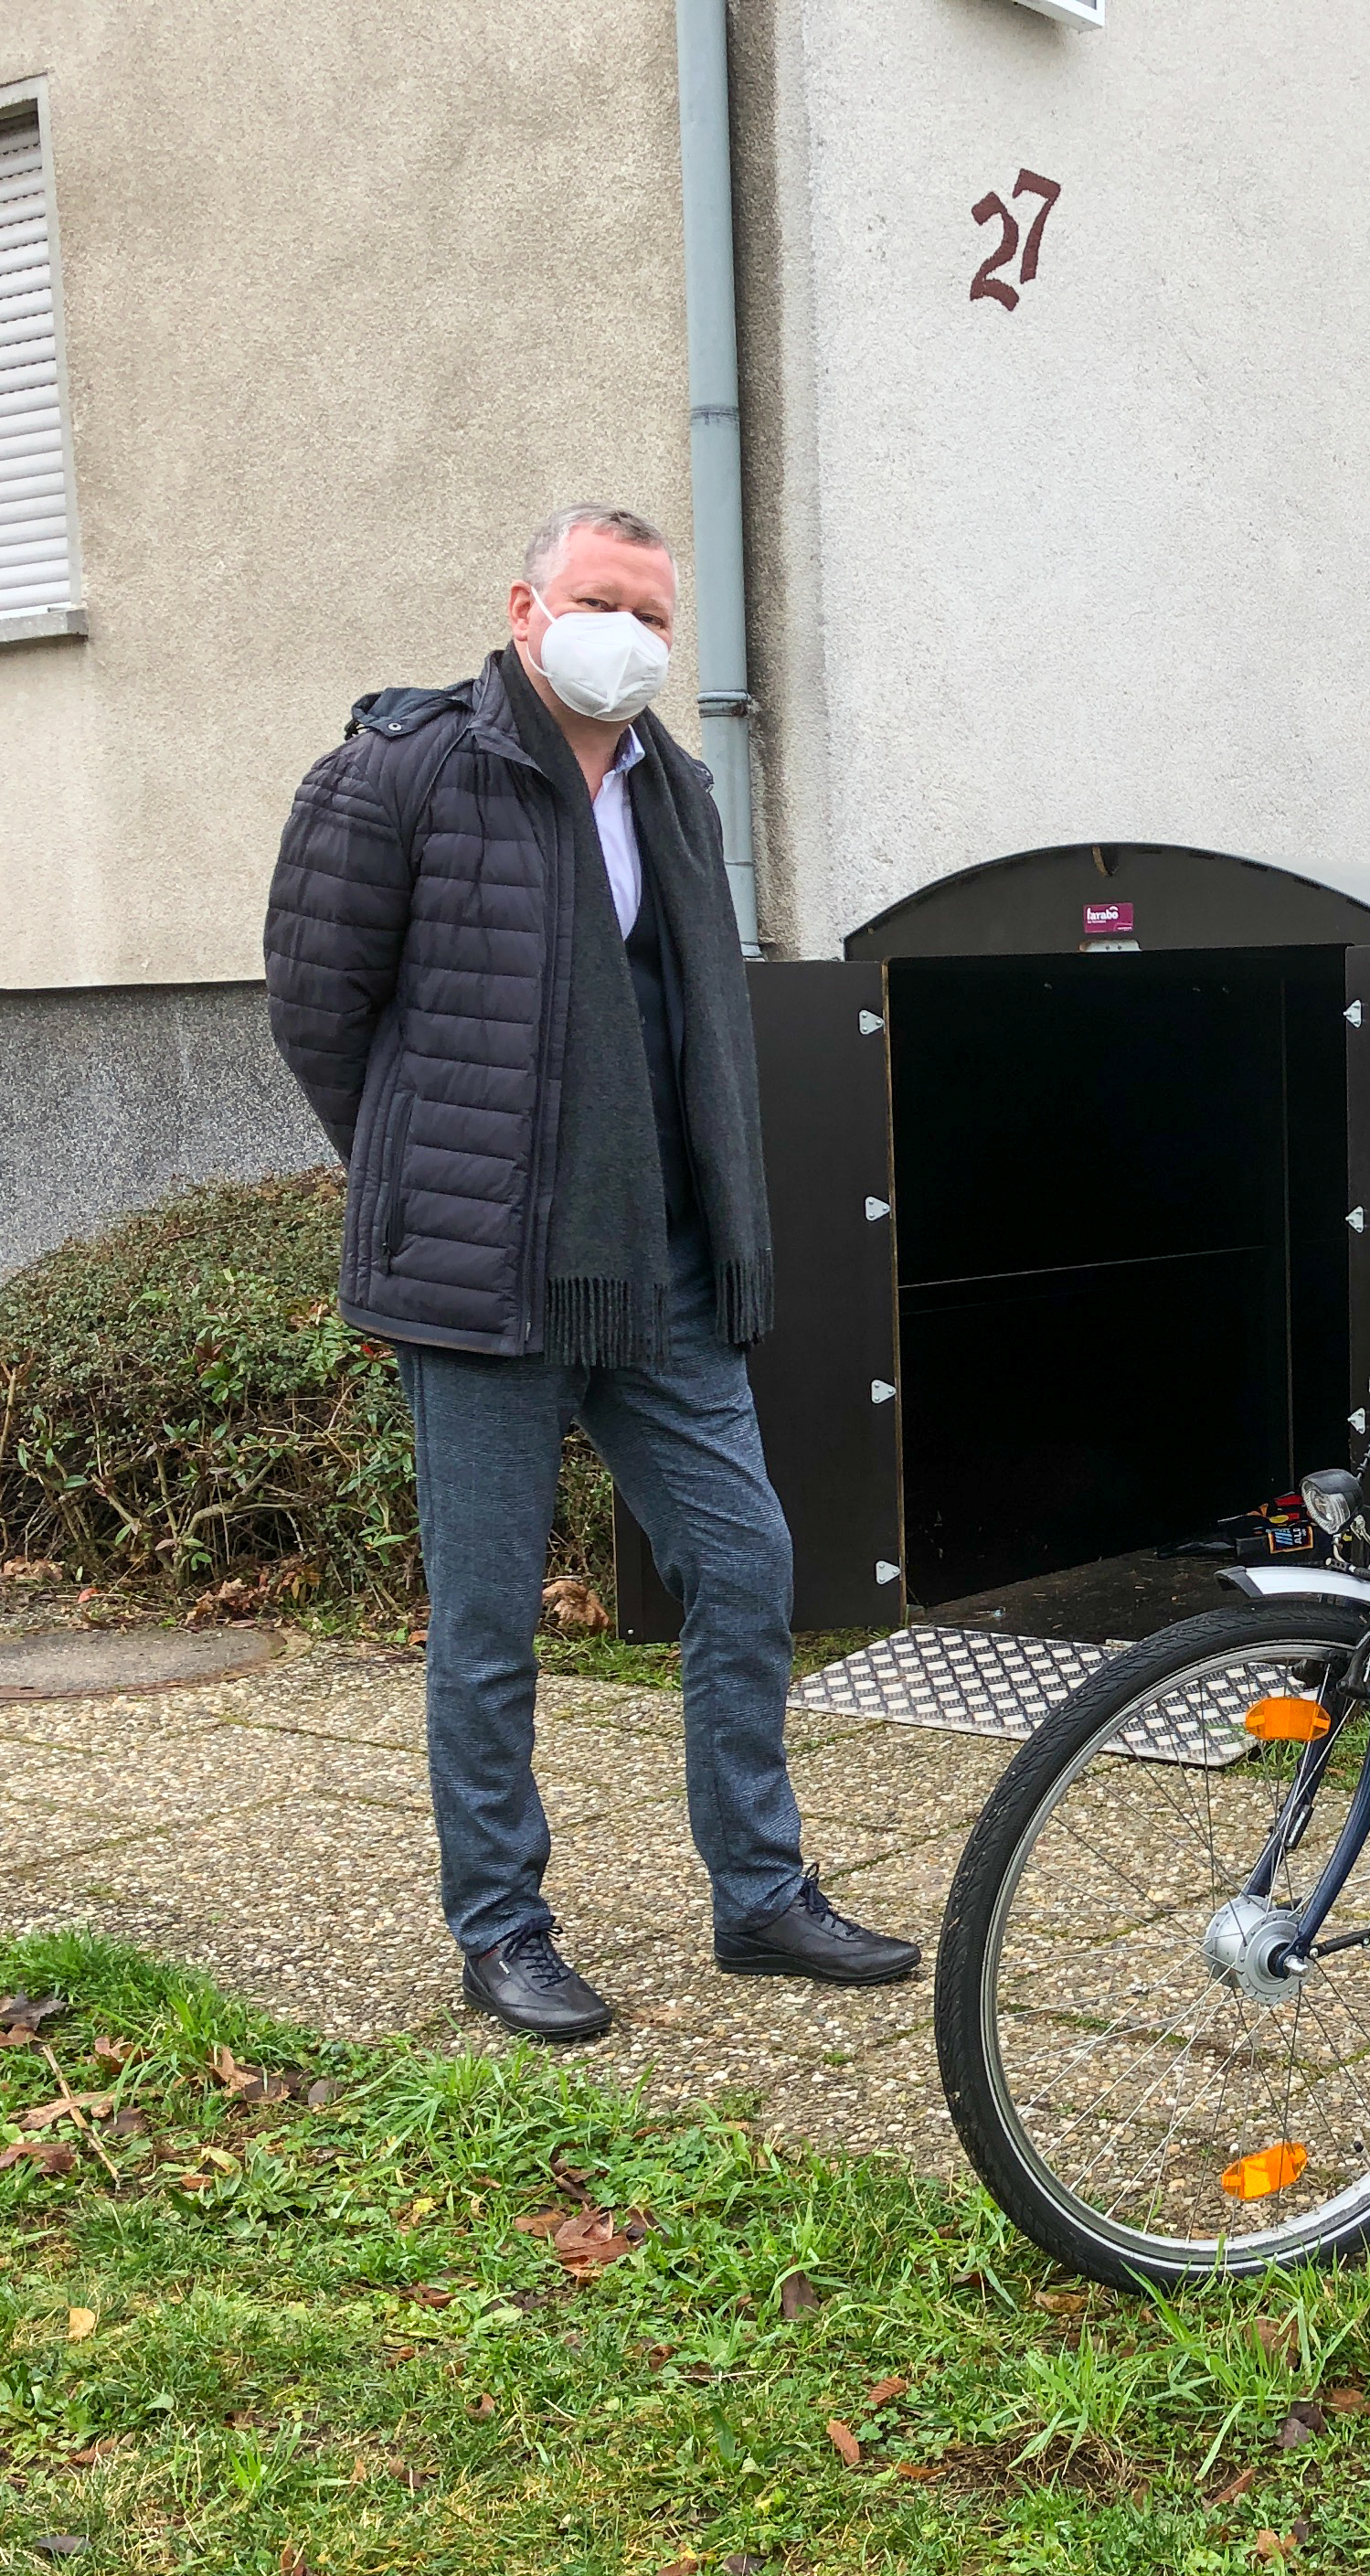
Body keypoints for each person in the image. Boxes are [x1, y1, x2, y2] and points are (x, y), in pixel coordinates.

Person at [264, 503, 916, 2040]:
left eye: (653, 614)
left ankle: (759, 1895)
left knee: (746, 1565)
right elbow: (317, 1005)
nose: (628, 634)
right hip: (489, 1278)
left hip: (664, 1268)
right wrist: (434, 1169)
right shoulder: (406, 770)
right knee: (487, 1624)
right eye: (600, 600)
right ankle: (500, 1928)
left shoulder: (676, 789)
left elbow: (691, 1024)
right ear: (525, 604)